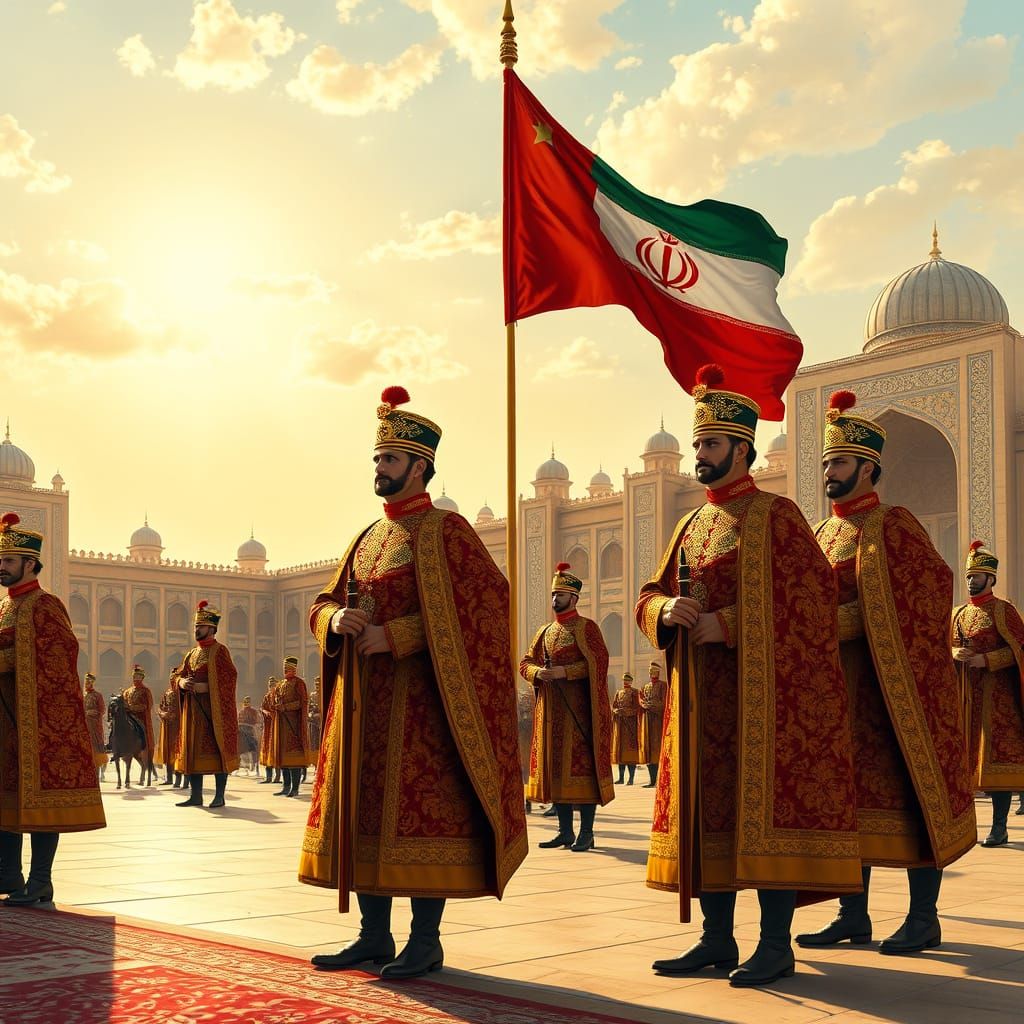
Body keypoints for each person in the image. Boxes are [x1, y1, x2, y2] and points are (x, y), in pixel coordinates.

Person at [635, 365, 862, 987]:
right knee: (708, 814)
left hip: (763, 703)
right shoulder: (690, 525)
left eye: (711, 444)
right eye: (698, 443)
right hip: (699, 701)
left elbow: (811, 599)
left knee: (762, 813)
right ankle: (715, 938)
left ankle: (773, 943)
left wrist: (729, 625)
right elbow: (649, 593)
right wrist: (664, 611)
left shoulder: (778, 516)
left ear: (742, 448)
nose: (701, 454)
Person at [301, 386, 527, 980]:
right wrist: (334, 619)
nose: (379, 468)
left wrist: (400, 635)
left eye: (390, 459)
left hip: (425, 712)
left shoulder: (447, 532)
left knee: (425, 821)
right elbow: (323, 601)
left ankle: (424, 941)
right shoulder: (367, 537)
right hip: (364, 712)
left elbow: (485, 605)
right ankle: (372, 935)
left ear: (421, 466)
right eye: (377, 459)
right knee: (365, 818)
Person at [796, 391, 975, 956]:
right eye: (826, 462)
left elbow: (924, 592)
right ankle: (854, 914)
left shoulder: (893, 525)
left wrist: (840, 622)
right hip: (834, 697)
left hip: (889, 696)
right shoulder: (820, 535)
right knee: (845, 806)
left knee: (907, 799)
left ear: (868, 467)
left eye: (840, 462)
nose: (830, 471)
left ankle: (924, 916)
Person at [0, 512, 105, 905]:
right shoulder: (6, 607)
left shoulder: (46, 605)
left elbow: (61, 653)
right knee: (5, 797)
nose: (1, 567)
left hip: (38, 724)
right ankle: (9, 874)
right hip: (8, 724)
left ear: (31, 563)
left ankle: (40, 881)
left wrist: (7, 661)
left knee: (43, 803)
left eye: (9, 561)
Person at [520, 563, 614, 851]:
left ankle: (587, 832)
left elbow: (598, 662)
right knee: (556, 773)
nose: (554, 600)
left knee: (580, 773)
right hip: (550, 716)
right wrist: (538, 673)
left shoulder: (587, 628)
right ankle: (564, 831)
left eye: (560, 595)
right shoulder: (545, 631)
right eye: (552, 595)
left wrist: (565, 672)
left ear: (573, 598)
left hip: (578, 715)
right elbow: (525, 662)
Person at [952, 540, 1024, 847]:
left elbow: (1020, 648)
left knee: (996, 767)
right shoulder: (958, 613)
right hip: (968, 697)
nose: (971, 580)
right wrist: (956, 653)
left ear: (990, 579)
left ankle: (1000, 827)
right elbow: (949, 645)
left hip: (998, 700)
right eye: (968, 576)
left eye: (977, 576)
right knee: (966, 767)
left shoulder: (1003, 611)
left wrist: (989, 659)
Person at [172, 602, 239, 809]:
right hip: (192, 714)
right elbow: (177, 675)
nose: (196, 630)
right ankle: (196, 795)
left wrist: (206, 688)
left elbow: (230, 677)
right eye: (195, 627)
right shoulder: (191, 654)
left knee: (217, 751)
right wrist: (182, 683)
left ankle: (219, 795)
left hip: (213, 714)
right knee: (192, 753)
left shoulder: (220, 651)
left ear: (211, 628)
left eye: (200, 627)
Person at [270, 657, 311, 797]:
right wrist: (276, 704)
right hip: (281, 726)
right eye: (284, 668)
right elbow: (274, 698)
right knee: (283, 759)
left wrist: (286, 707)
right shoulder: (280, 684)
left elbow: (302, 702)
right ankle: (285, 786)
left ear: (294, 669)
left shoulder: (299, 683)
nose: (285, 670)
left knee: (294, 759)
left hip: (294, 725)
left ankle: (295, 788)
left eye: (287, 668)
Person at [122, 664, 155, 786]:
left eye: (138, 676)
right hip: (129, 717)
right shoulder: (127, 691)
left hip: (141, 718)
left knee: (141, 731)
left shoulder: (146, 691)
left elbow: (147, 706)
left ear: (142, 678)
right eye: (134, 676)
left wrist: (132, 708)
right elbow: (124, 704)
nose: (135, 678)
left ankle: (144, 745)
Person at [638, 662, 666, 789]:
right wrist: (645, 705)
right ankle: (652, 780)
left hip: (657, 721)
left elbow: (664, 701)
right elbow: (641, 700)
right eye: (650, 672)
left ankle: (661, 781)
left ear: (658, 673)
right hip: (647, 720)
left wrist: (652, 706)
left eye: (653, 672)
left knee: (658, 748)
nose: (651, 674)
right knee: (648, 749)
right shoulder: (645, 686)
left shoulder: (663, 685)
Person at [611, 673, 641, 786]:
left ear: (631, 681)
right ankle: (621, 778)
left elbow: (637, 708)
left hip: (630, 727)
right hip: (620, 726)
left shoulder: (634, 692)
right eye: (624, 680)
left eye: (628, 680)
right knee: (621, 753)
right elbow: (614, 706)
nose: (626, 682)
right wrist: (616, 711)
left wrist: (626, 713)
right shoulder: (618, 693)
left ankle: (631, 779)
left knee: (630, 754)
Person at [155, 670, 182, 787]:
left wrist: (174, 715)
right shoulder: (167, 693)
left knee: (176, 751)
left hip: (178, 727)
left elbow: (184, 709)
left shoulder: (181, 693)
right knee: (166, 750)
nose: (172, 680)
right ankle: (169, 778)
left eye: (175, 678)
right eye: (171, 678)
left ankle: (178, 779)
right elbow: (160, 707)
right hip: (166, 726)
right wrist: (162, 714)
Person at [82, 672, 108, 782]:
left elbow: (102, 710)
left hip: (95, 726)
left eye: (90, 682)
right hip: (84, 726)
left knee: (97, 748)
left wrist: (94, 712)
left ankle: (98, 773)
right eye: (86, 681)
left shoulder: (97, 695)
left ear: (93, 683)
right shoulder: (82, 695)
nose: (88, 683)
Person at [258, 676, 278, 784]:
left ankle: (278, 777)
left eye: (273, 685)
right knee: (266, 748)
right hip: (268, 726)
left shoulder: (278, 697)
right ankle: (268, 777)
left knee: (276, 749)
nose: (271, 687)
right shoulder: (267, 696)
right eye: (270, 685)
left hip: (276, 726)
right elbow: (262, 707)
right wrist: (266, 712)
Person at [237, 696, 262, 774]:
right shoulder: (241, 711)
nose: (246, 703)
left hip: (250, 731)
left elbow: (255, 721)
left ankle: (254, 765)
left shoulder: (254, 711)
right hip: (241, 730)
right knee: (238, 747)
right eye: (245, 702)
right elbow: (238, 720)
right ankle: (239, 765)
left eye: (248, 702)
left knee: (253, 747)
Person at [308, 676, 322, 758]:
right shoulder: (312, 695)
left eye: (318, 683)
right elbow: (309, 708)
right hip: (313, 722)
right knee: (314, 742)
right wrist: (310, 714)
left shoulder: (323, 694)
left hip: (321, 720)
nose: (317, 685)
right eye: (315, 683)